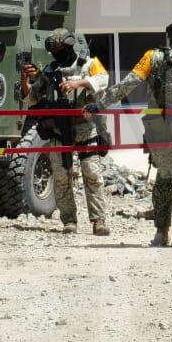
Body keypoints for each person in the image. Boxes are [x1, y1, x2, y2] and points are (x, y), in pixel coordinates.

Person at [95, 16, 172, 247]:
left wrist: (99, 105)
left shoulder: (151, 56)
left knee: (163, 179)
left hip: (156, 128)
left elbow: (127, 84)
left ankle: (160, 234)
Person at [20, 28, 110, 237]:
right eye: (54, 52)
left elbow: (103, 79)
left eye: (59, 50)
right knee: (61, 177)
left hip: (85, 129)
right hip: (59, 130)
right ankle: (69, 220)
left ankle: (98, 220)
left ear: (69, 46)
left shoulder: (88, 64)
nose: (56, 55)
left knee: (92, 174)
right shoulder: (50, 71)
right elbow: (31, 99)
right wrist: (26, 81)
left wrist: (78, 82)